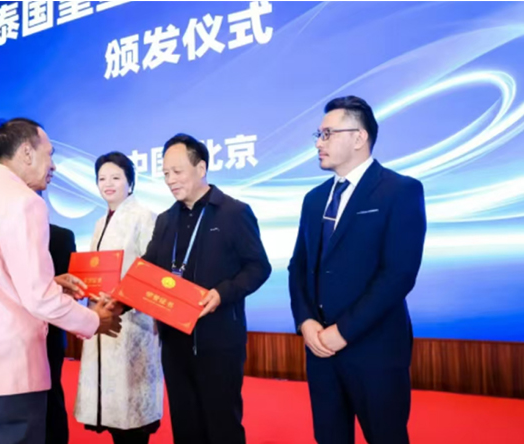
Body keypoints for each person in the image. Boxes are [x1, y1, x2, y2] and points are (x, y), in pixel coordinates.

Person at [0, 118, 122, 444]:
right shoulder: (24, 201)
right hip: (12, 372)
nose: (53, 165)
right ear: (27, 152)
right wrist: (94, 320)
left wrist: (52, 282)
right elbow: (38, 297)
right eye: (50, 154)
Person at [288, 96, 427, 444]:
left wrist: (344, 331)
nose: (318, 143)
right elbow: (299, 266)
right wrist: (306, 322)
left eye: (328, 134)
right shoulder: (314, 199)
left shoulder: (400, 190)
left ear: (359, 137)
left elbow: (398, 274)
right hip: (320, 348)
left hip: (375, 350)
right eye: (318, 135)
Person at [142, 134, 271, 444]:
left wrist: (223, 293)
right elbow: (149, 268)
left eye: (177, 171)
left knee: (222, 426)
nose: (170, 180)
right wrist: (119, 297)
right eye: (165, 174)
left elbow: (258, 267)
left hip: (219, 341)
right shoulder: (165, 220)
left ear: (201, 168)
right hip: (174, 342)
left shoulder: (233, 213)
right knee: (185, 425)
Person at [76, 152, 163, 444]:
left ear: (131, 182)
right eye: (102, 178)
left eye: (116, 177)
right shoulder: (100, 222)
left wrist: (123, 301)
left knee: (132, 415)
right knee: (113, 411)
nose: (108, 184)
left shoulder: (144, 217)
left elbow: (151, 272)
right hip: (102, 318)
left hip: (133, 322)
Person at [46, 222, 77, 444]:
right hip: (6, 336)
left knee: (51, 394)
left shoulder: (60, 236)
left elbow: (70, 289)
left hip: (50, 332)